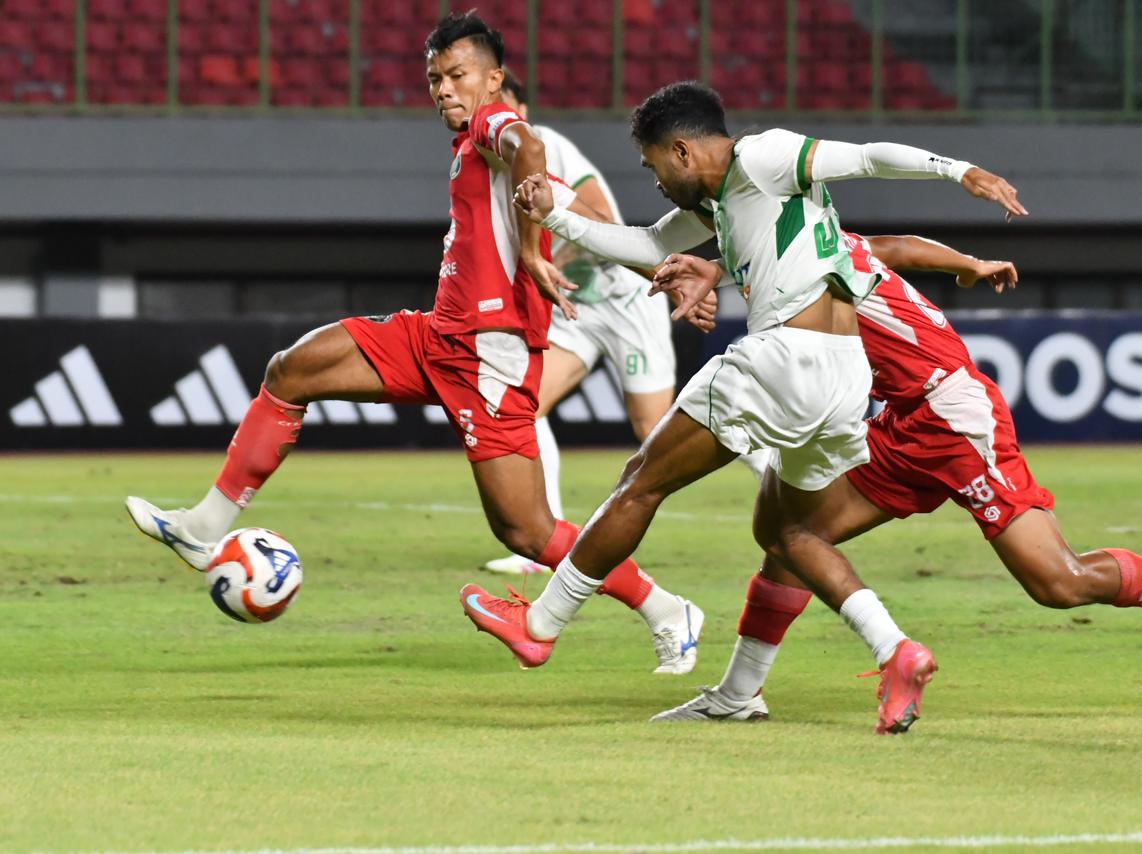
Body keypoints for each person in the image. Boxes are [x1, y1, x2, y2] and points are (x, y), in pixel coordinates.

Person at [124, 12, 704, 676]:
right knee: (294, 368)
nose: (445, 90)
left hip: (491, 357)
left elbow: (529, 151)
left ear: (493, 79)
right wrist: (635, 262)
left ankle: (667, 610)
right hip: (439, 337)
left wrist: (533, 252)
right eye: (434, 79)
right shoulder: (472, 145)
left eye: (457, 75)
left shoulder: (496, 126)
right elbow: (571, 208)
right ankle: (204, 528)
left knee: (528, 532)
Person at [460, 80, 1028, 734]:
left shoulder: (763, 158)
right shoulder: (722, 200)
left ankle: (539, 625)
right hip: (842, 380)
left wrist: (961, 172)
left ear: (680, 150)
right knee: (790, 535)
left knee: (641, 482)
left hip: (784, 359)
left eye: (652, 167)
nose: (654, 182)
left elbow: (868, 156)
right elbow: (648, 246)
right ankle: (890, 651)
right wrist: (558, 215)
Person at [648, 232, 1142, 724]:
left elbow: (878, 256)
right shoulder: (820, 245)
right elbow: (899, 247)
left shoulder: (805, 262)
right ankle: (738, 694)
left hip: (956, 420)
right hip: (899, 423)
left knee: (1058, 582)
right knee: (790, 533)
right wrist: (968, 264)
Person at [482, 71, 684, 579]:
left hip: (626, 297)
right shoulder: (489, 169)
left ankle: (768, 465)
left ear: (520, 109)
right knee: (522, 404)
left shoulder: (544, 145)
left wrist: (652, 270)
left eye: (501, 101)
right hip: (579, 306)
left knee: (657, 433)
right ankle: (543, 542)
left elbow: (605, 214)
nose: (494, 113)